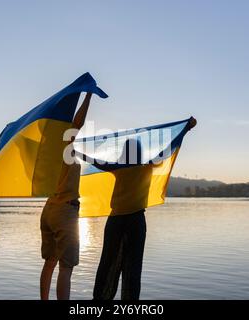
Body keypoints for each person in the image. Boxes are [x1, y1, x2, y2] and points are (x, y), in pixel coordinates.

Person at [93, 116, 197, 300]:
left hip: (117, 220)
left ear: (124, 153)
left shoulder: (117, 167)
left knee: (109, 264)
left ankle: (100, 300)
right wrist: (185, 129)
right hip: (135, 221)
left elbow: (95, 161)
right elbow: (169, 147)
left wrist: (75, 149)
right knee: (133, 266)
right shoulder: (147, 165)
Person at [39, 92, 93, 300]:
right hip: (65, 212)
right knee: (66, 267)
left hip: (49, 209)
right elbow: (78, 122)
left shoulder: (45, 153)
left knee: (50, 262)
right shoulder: (64, 146)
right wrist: (88, 95)